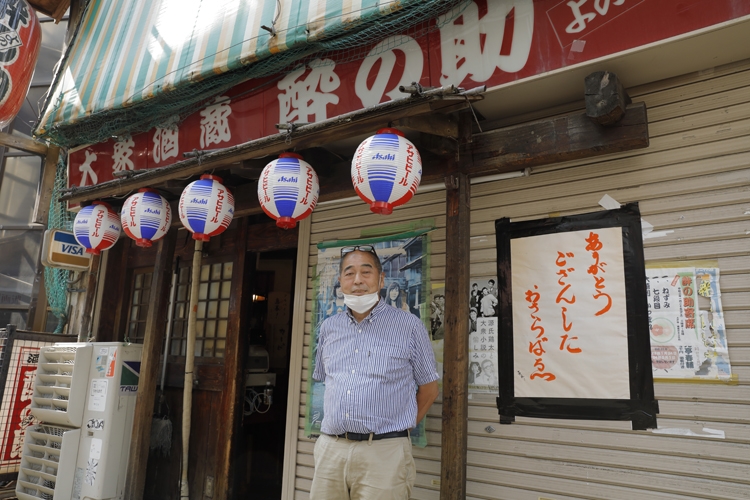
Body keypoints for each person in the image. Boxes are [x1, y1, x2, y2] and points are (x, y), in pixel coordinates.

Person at [311, 245, 440, 500]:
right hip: (331, 449)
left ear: (381, 280)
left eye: (366, 272)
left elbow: (429, 389)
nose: (357, 280)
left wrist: (397, 428)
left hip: (384, 452)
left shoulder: (409, 325)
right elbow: (327, 381)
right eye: (349, 273)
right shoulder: (328, 328)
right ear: (341, 282)